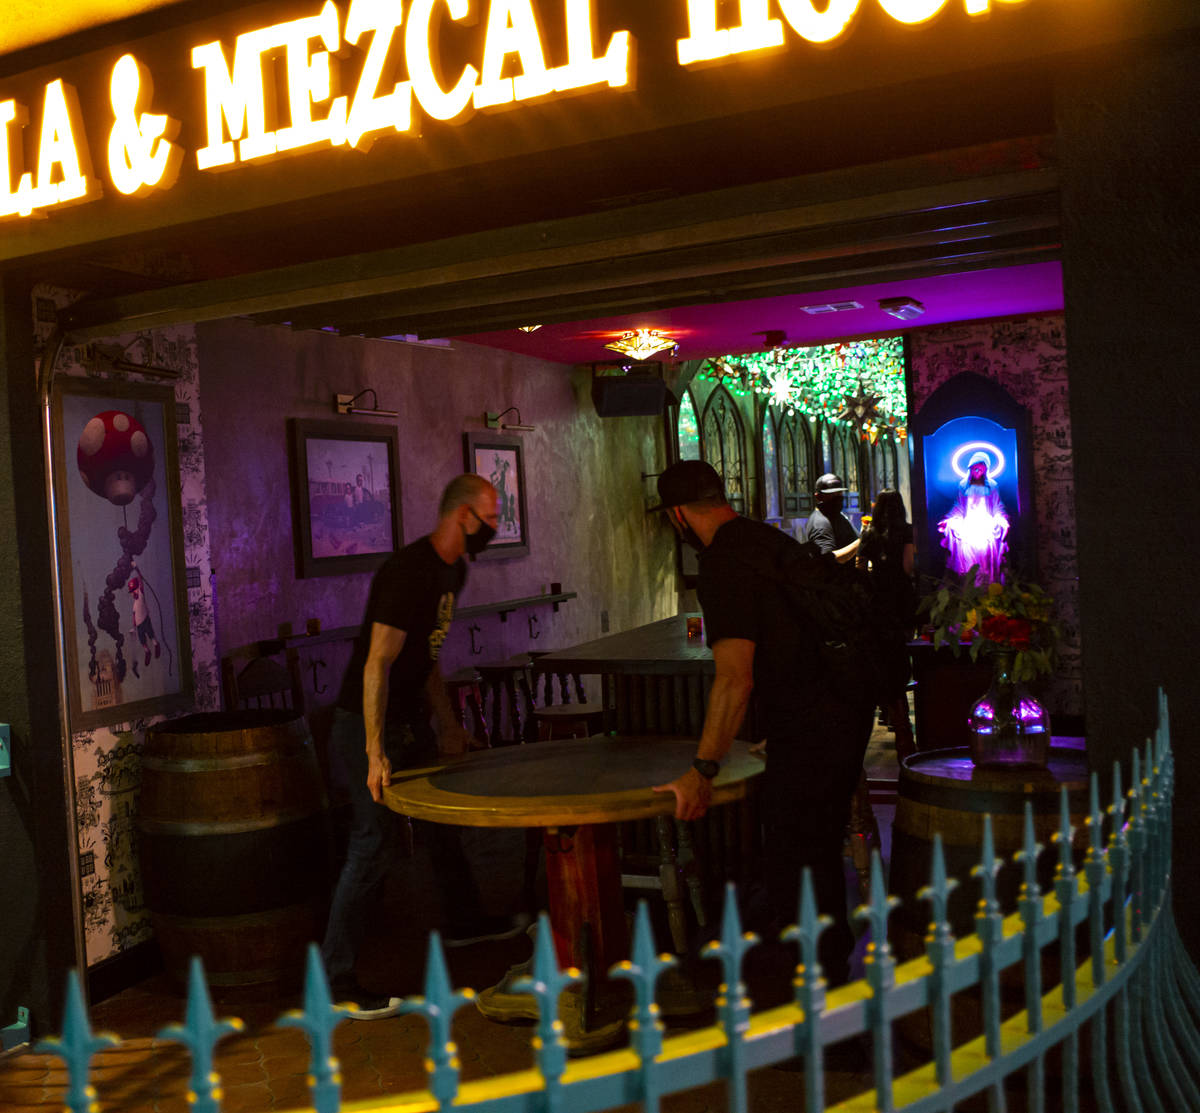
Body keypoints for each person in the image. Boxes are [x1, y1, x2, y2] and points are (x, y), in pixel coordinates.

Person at [649, 460, 875, 984]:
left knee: (800, 852)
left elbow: (734, 679)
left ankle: (815, 991)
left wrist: (701, 770)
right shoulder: (763, 540)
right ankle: (823, 975)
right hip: (846, 706)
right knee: (812, 848)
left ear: (679, 516)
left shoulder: (724, 564)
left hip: (819, 720)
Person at [321, 474, 523, 1018]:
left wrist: (448, 724)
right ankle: (335, 981)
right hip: (367, 723)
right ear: (462, 515)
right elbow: (377, 664)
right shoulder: (407, 572)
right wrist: (373, 750)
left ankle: (462, 922)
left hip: (407, 721)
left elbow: (426, 657)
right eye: (491, 517)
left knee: (441, 818)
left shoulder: (452, 570)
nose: (495, 527)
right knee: (373, 843)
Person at [856, 489, 917, 760]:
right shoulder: (907, 531)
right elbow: (907, 566)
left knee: (882, 658)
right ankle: (902, 723)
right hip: (902, 602)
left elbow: (860, 566)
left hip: (878, 603)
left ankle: (888, 712)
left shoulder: (869, 533)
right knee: (901, 656)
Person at [937, 449, 1010, 583]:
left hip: (986, 526)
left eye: (981, 470)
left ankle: (986, 585)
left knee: (986, 553)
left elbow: (997, 506)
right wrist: (949, 520)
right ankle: (968, 585)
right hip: (969, 526)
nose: (978, 472)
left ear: (986, 470)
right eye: (975, 469)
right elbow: (959, 506)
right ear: (970, 468)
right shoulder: (963, 485)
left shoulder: (992, 486)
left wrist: (1001, 519)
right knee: (966, 552)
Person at [804, 473, 860, 564]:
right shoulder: (820, 523)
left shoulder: (836, 515)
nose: (838, 497)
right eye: (832, 494)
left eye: (839, 493)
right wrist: (860, 542)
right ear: (819, 497)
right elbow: (828, 560)